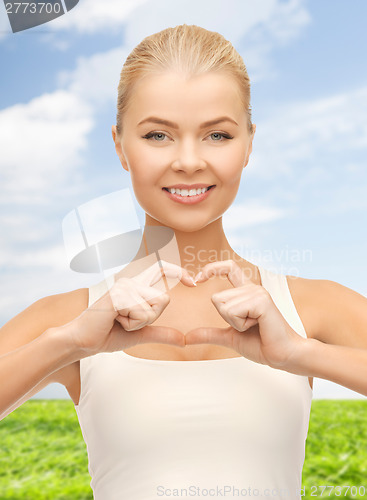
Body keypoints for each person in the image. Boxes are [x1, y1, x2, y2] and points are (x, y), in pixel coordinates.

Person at [0, 24, 366, 500]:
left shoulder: (313, 307)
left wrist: (300, 354)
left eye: (217, 134)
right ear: (119, 146)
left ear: (249, 143)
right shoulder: (69, 319)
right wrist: (67, 343)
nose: (189, 161)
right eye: (158, 135)